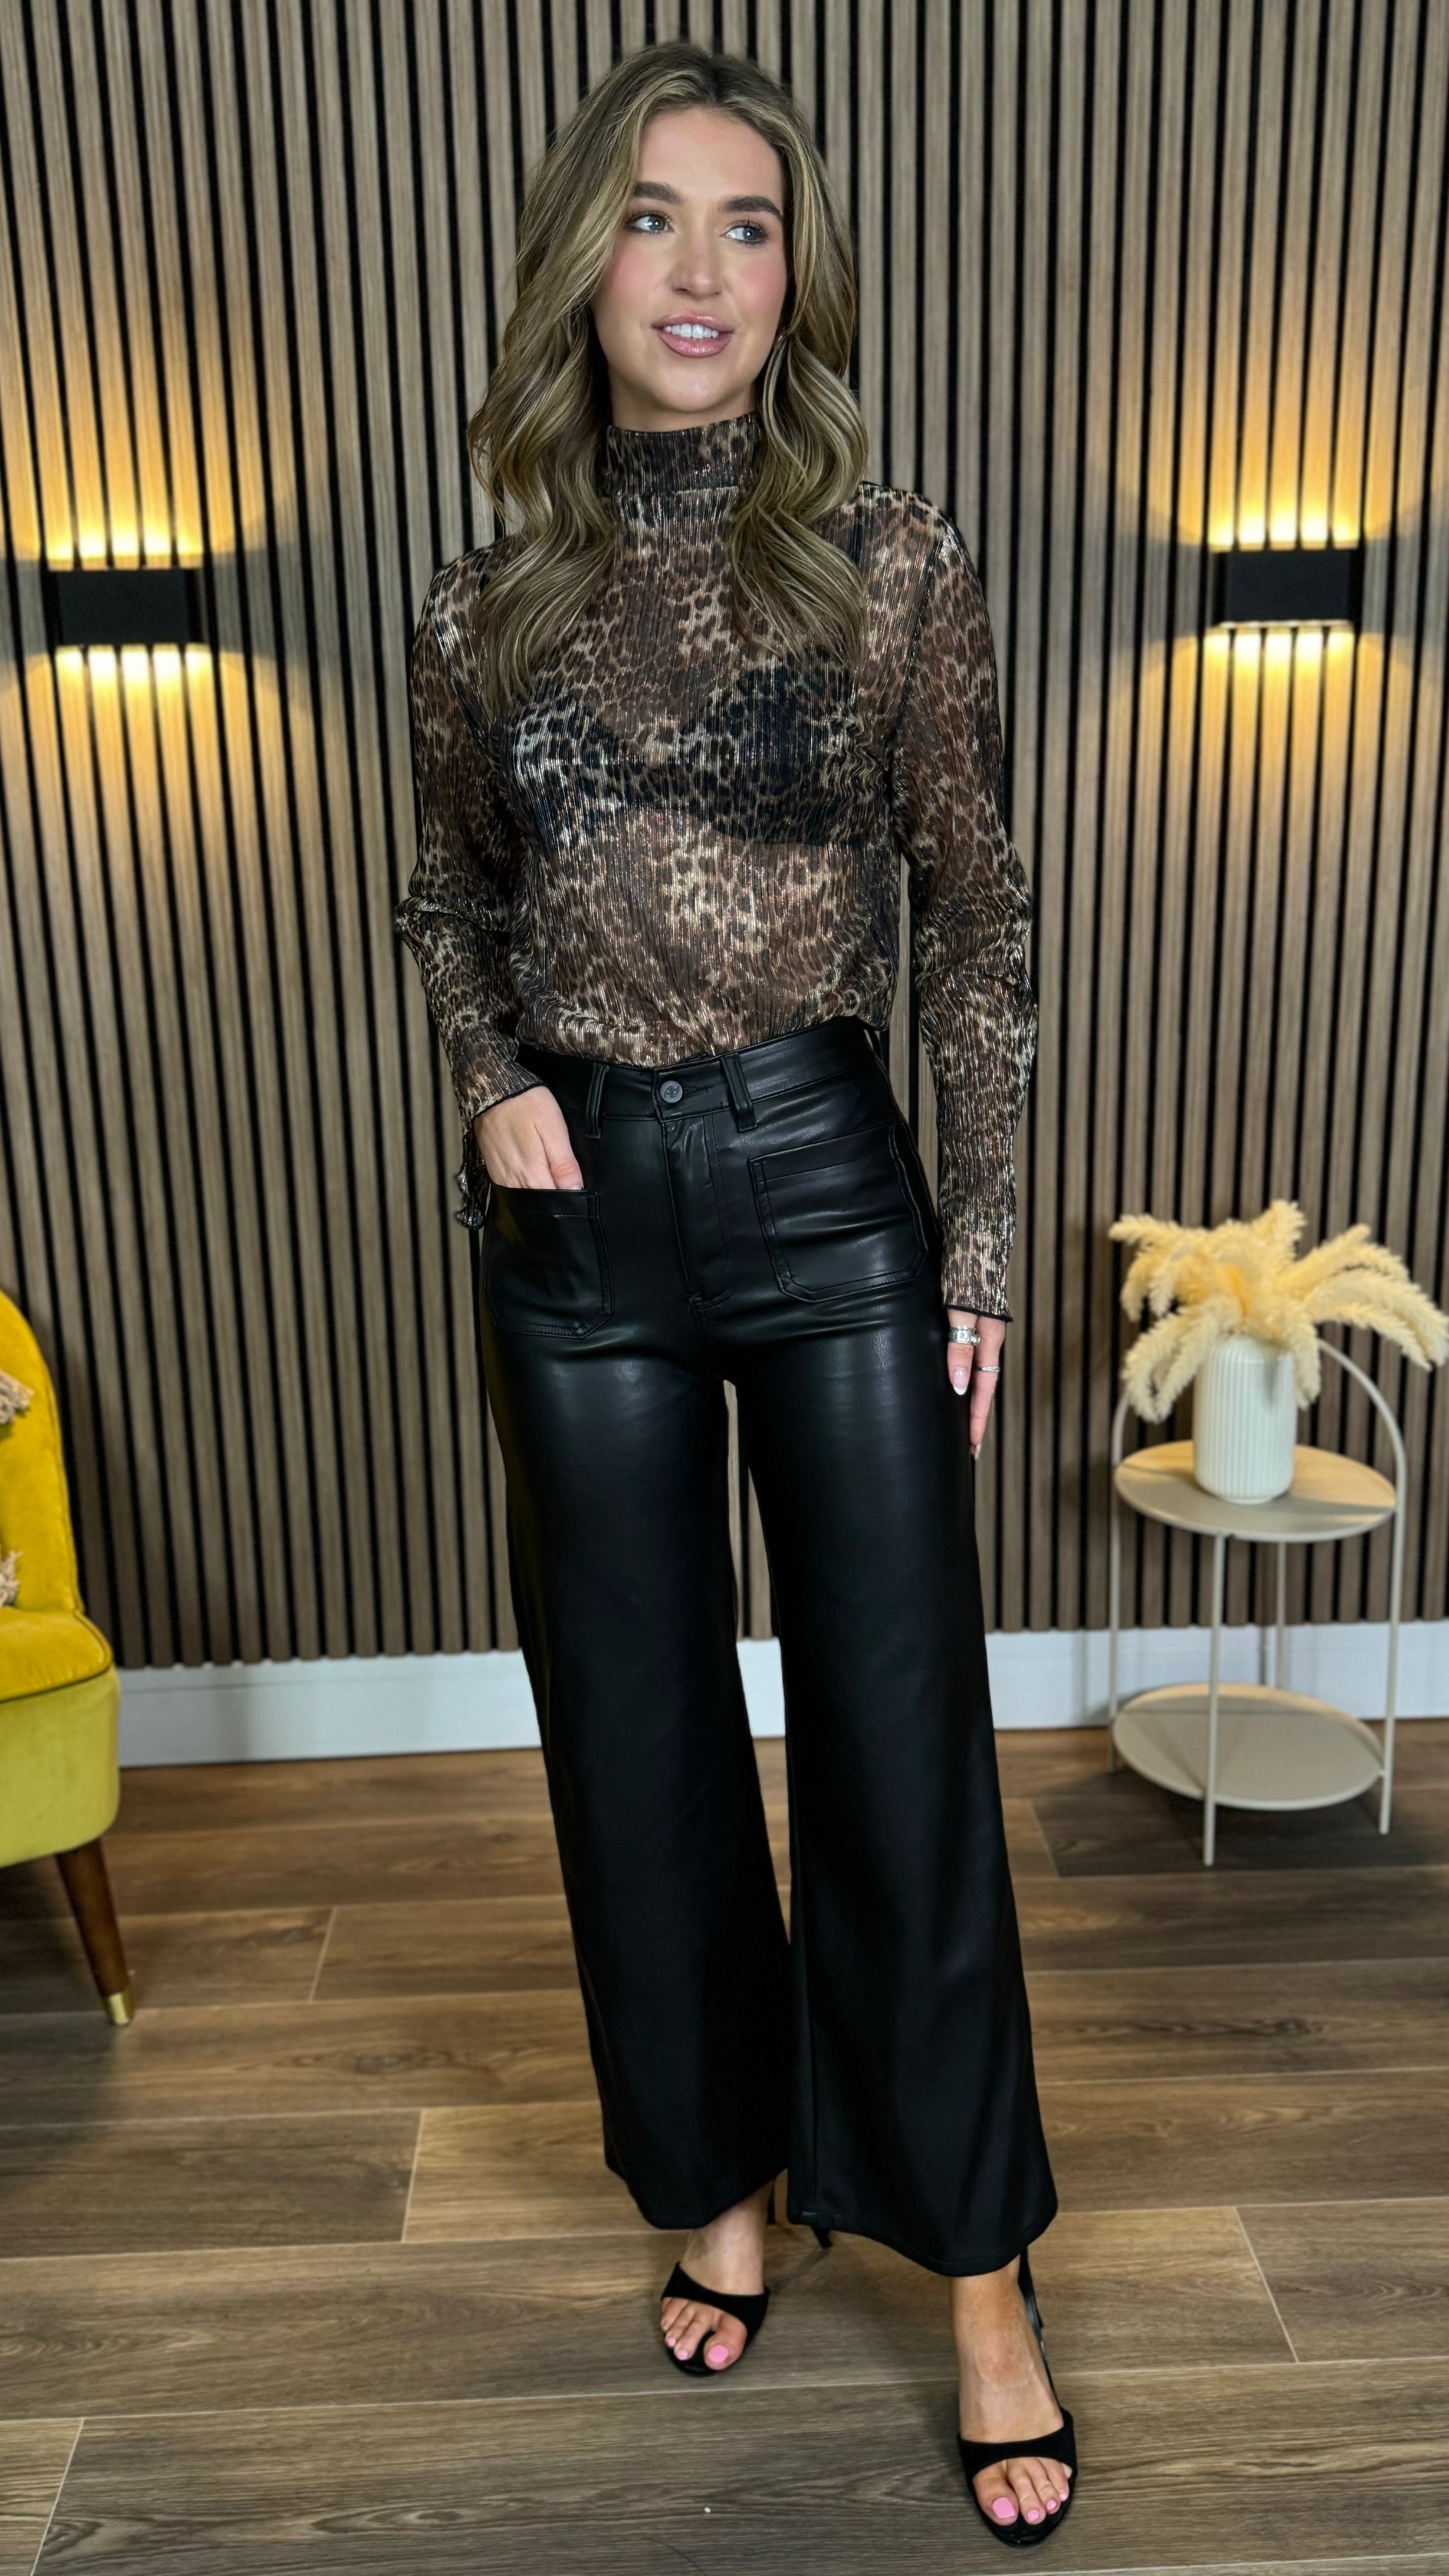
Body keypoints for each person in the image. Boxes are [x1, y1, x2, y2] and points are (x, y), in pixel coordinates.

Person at [397, 39, 1077, 2545]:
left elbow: (978, 917)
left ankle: (981, 2276)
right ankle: (717, 2181)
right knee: (639, 1736)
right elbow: (448, 898)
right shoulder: (481, 608)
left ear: (799, 277)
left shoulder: (894, 566)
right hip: (578, 1226)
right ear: (584, 263)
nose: (702, 272)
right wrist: (490, 1076)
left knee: (903, 1740)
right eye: (656, 220)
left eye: (750, 225)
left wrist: (976, 1233)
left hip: (821, 1185)